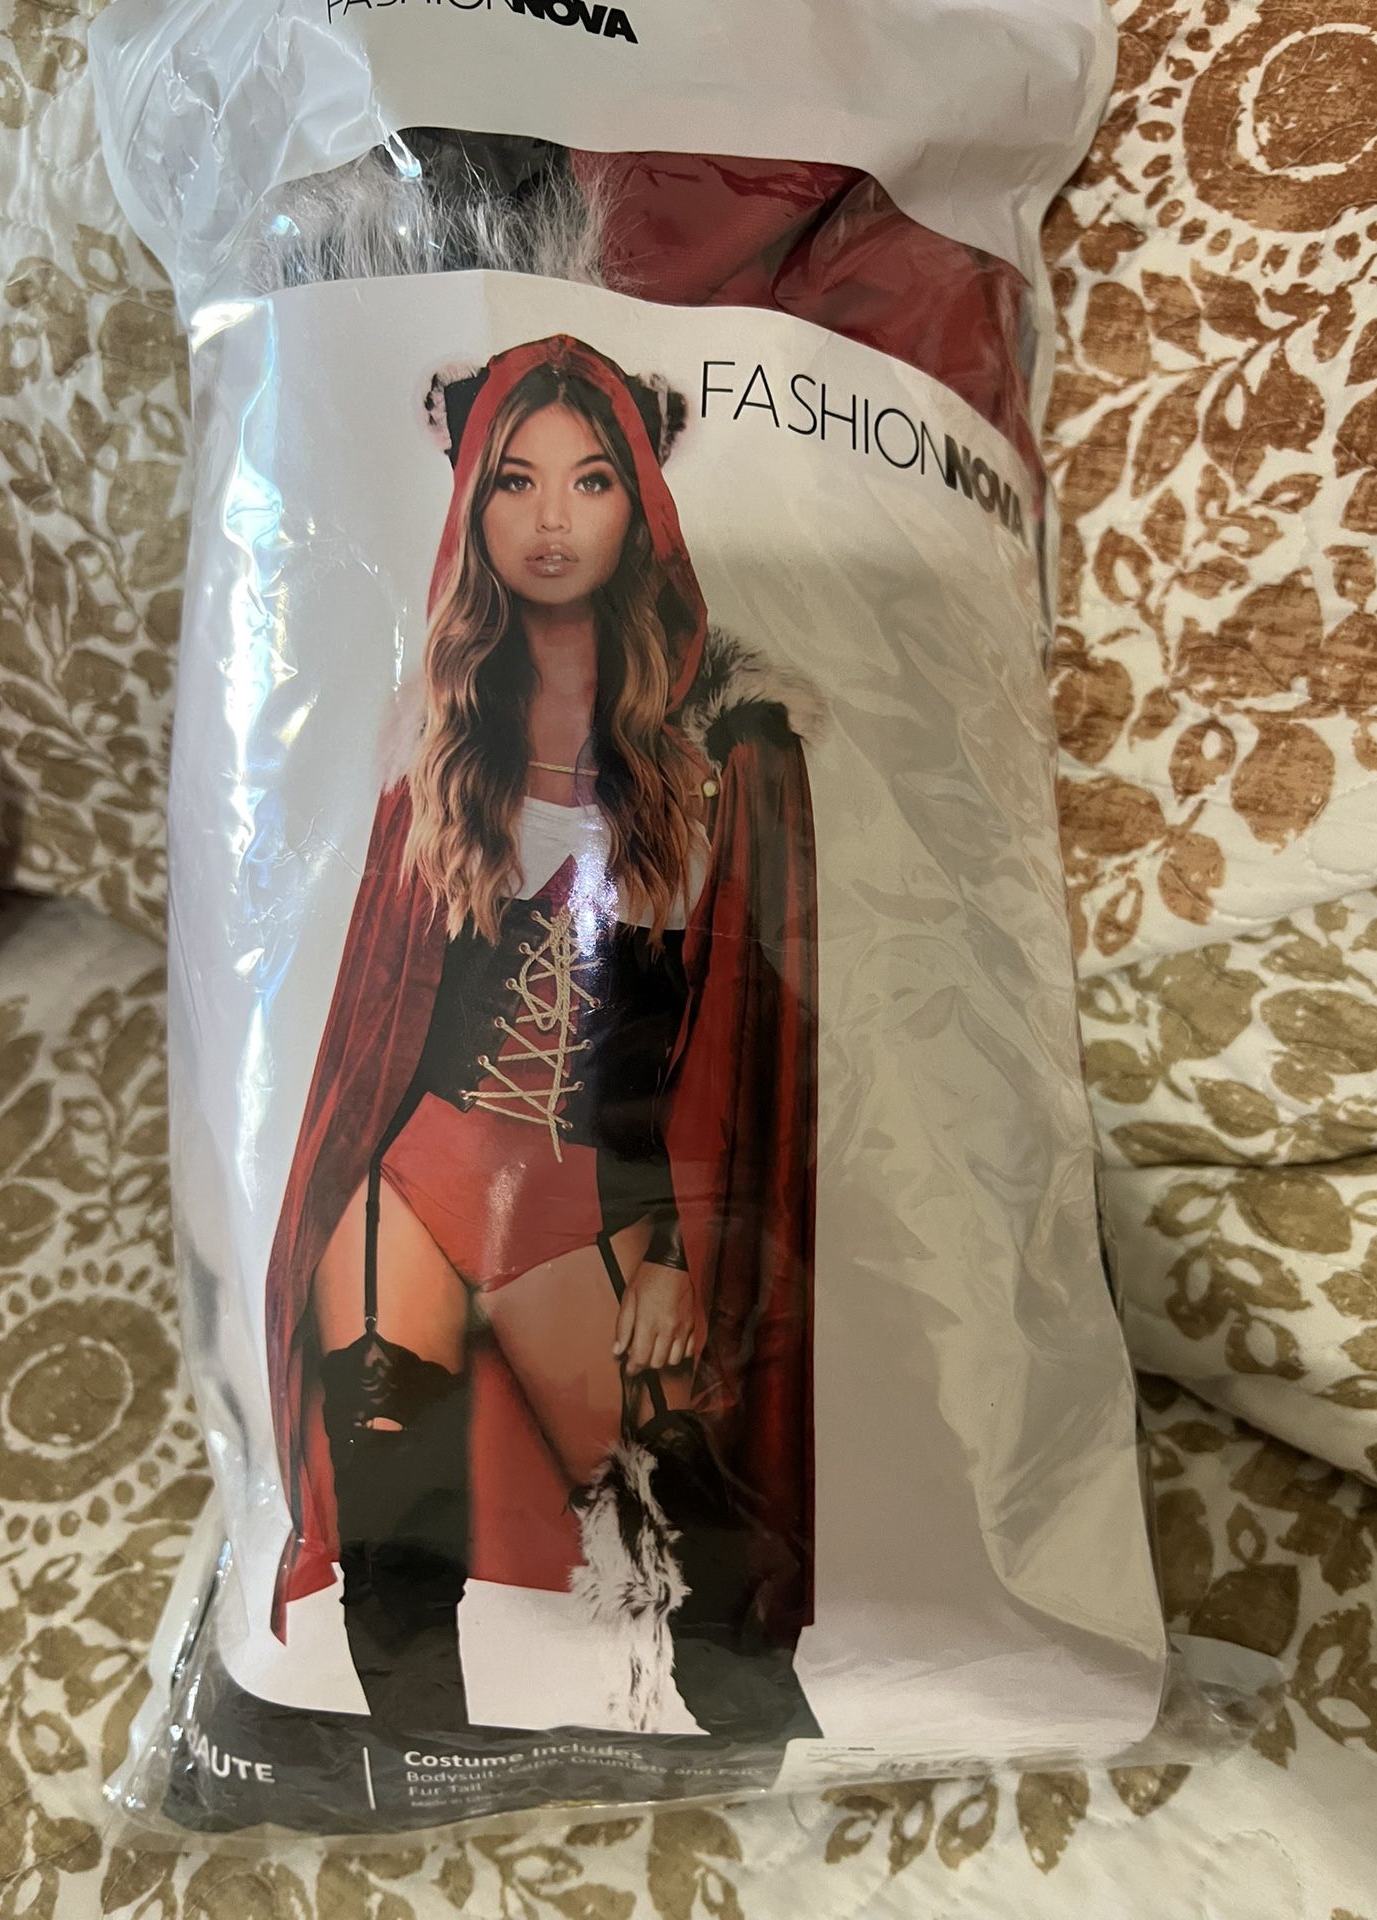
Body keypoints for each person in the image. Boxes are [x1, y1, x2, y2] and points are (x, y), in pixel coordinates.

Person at [264, 335, 819, 1747]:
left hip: (588, 1201)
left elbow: (727, 1041)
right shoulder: (441, 724)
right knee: (391, 1540)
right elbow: (383, 1003)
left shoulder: (729, 739)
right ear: (475, 505)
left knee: (693, 1550)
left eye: (591, 481)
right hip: (413, 1182)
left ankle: (779, 1782)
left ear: (642, 504)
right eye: (515, 481)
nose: (552, 519)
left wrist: (674, 1245)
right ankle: (415, 1789)